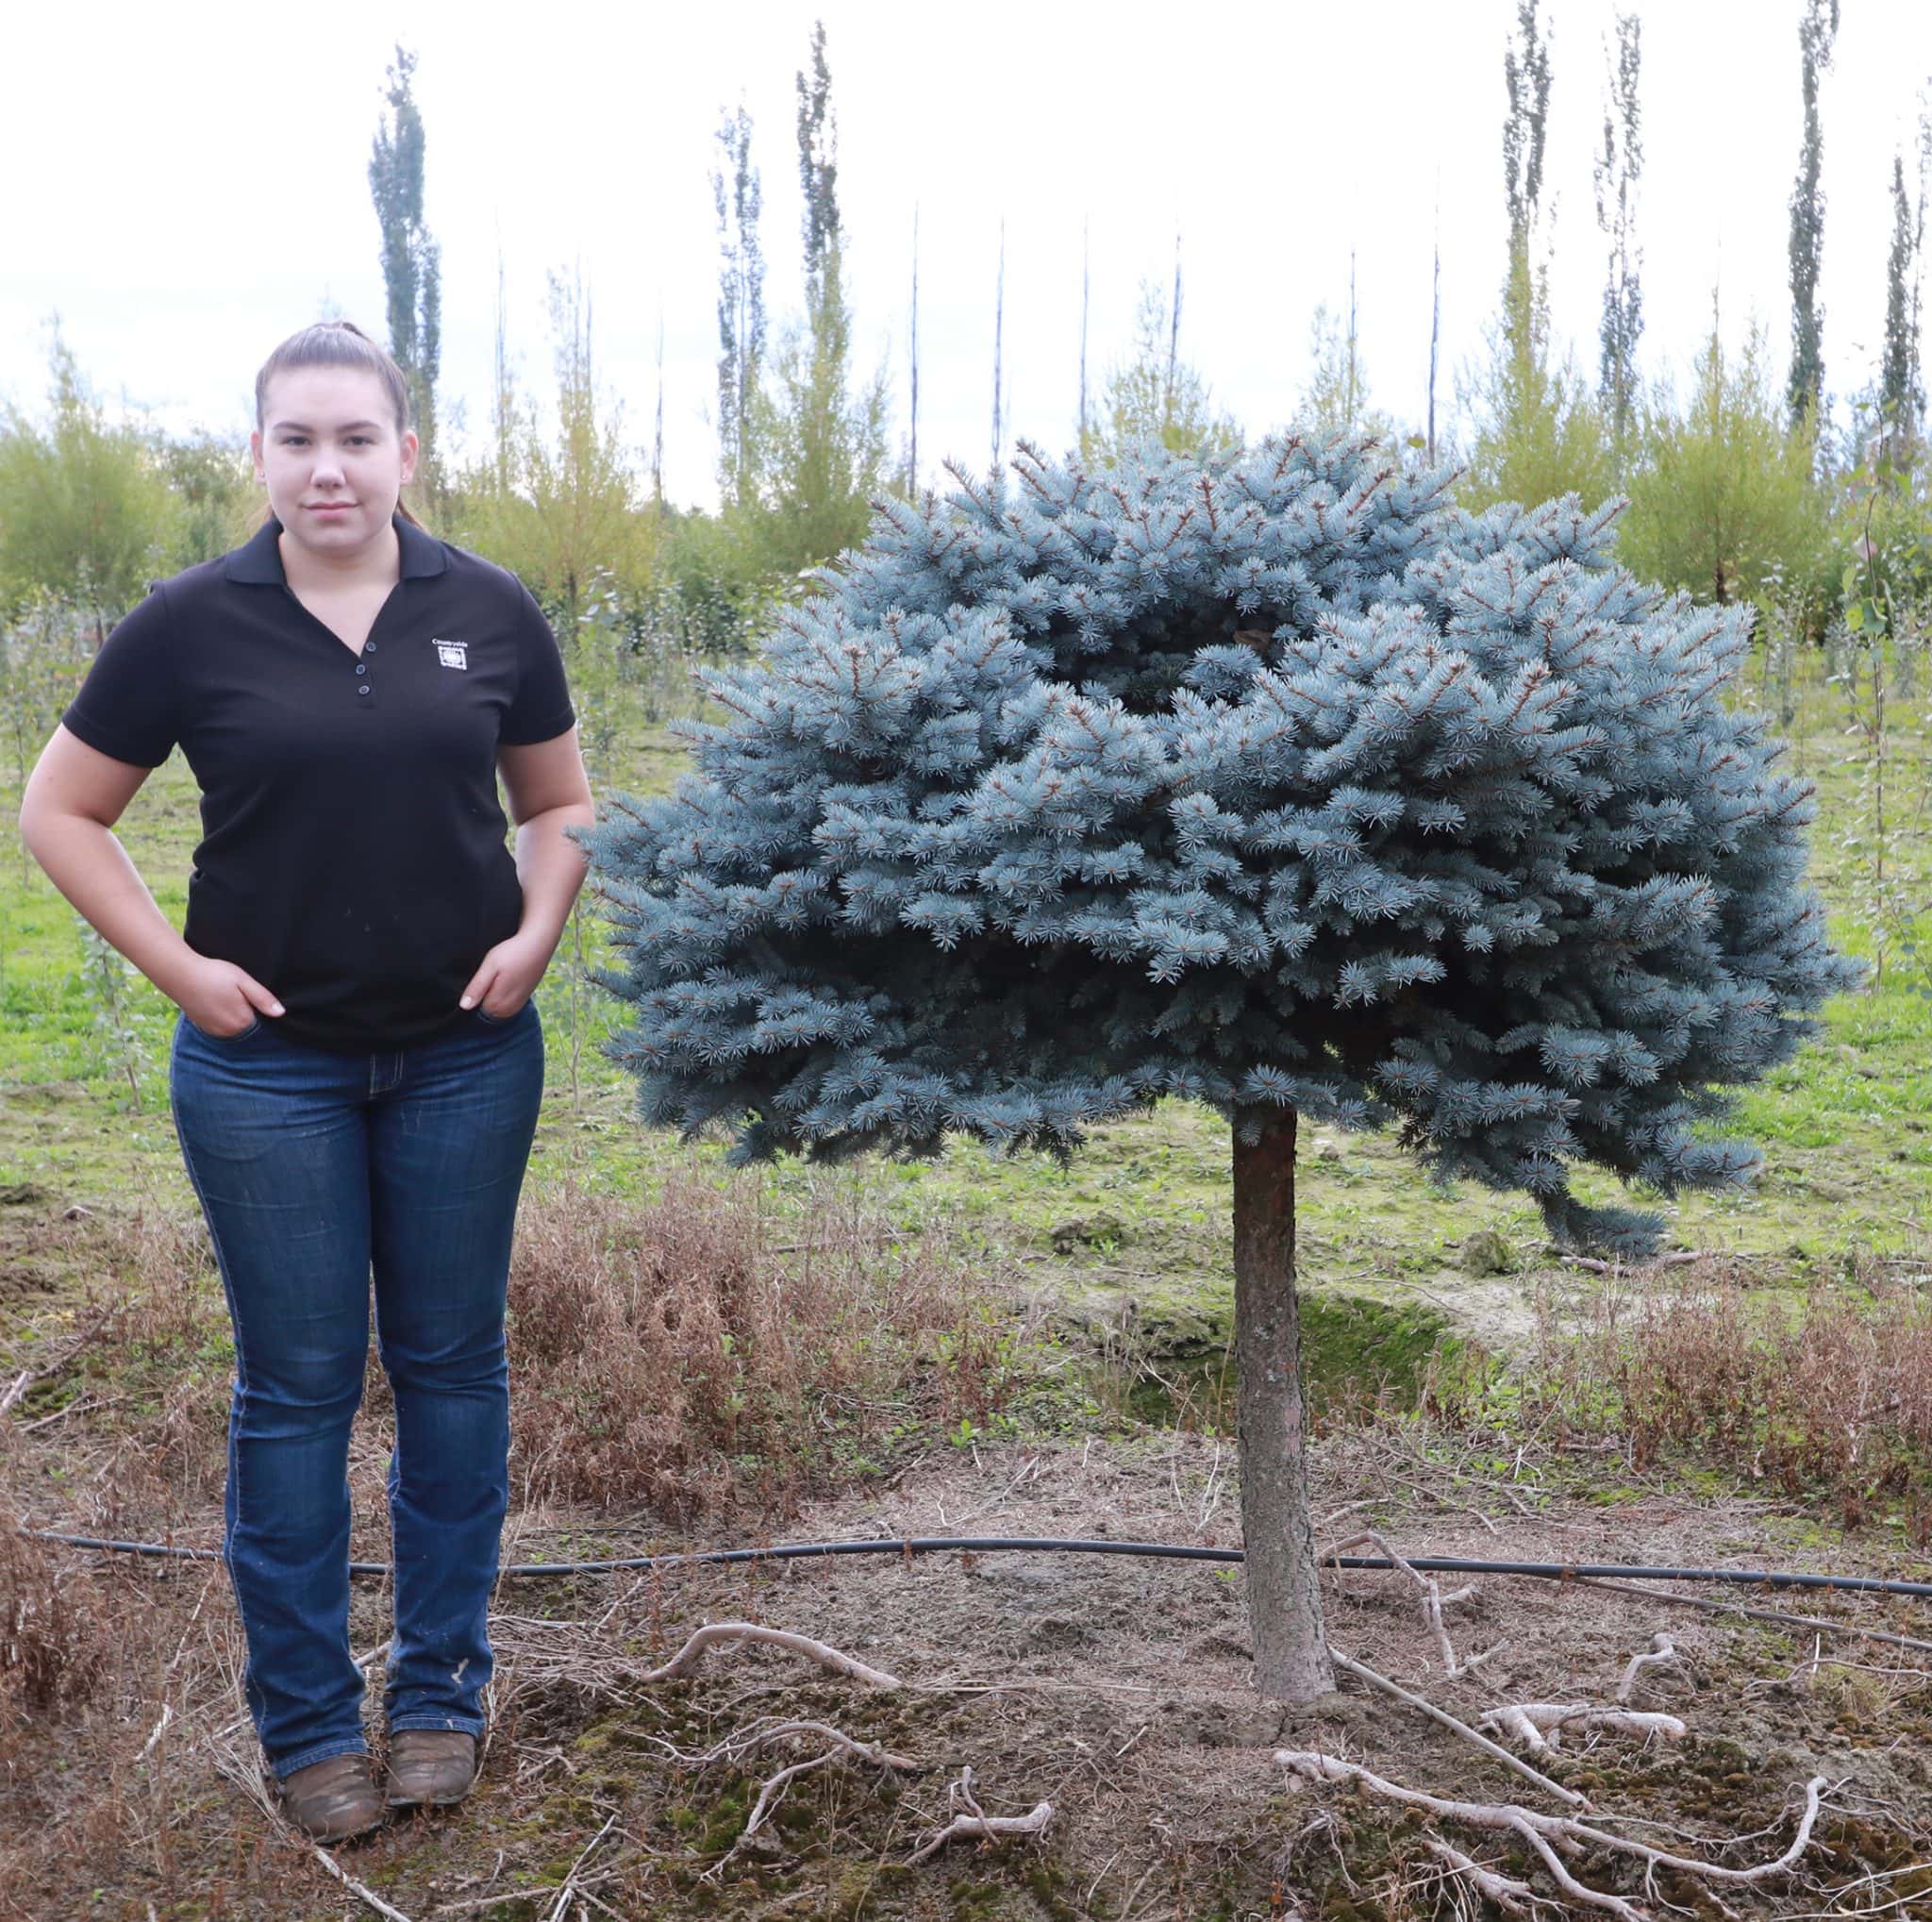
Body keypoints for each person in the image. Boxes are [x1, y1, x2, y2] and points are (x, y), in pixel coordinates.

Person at [18, 321, 595, 1844]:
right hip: (265, 1072)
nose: (328, 467)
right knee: (298, 1391)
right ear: (259, 455)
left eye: (356, 438)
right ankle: (309, 1722)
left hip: (466, 1061)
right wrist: (180, 971)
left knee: (455, 1369)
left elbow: (562, 804)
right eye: (298, 440)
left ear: (408, 452)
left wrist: (539, 929)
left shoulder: (491, 609)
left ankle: (439, 1697)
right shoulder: (189, 625)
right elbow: (62, 812)